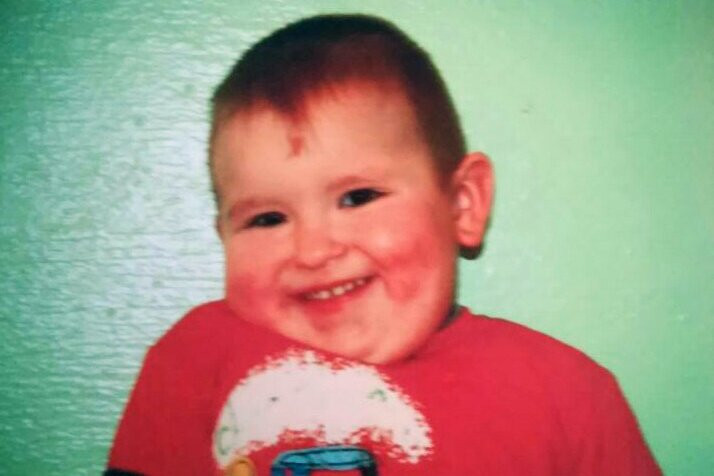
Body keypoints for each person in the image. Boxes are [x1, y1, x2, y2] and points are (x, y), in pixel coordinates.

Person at [106, 14, 661, 476]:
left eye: (357, 197)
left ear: (463, 203)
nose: (313, 250)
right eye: (268, 218)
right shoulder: (192, 363)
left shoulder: (565, 394)